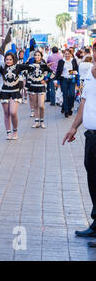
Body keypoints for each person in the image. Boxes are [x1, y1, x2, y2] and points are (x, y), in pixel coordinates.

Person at [62, 49, 96, 248]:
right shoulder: (88, 74)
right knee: (92, 178)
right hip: (90, 135)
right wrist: (74, 126)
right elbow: (84, 102)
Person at [0, 52, 32, 140]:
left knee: (13, 112)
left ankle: (15, 130)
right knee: (6, 113)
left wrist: (43, 66)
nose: (8, 61)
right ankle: (8, 132)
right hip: (4, 93)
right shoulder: (2, 68)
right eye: (7, 59)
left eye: (10, 59)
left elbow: (30, 67)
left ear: (13, 60)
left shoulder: (18, 67)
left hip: (15, 92)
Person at [27, 51, 54, 128]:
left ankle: (42, 121)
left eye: (38, 55)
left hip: (41, 87)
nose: (37, 56)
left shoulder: (43, 65)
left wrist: (46, 80)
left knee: (41, 105)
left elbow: (52, 73)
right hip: (33, 86)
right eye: (35, 55)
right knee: (35, 105)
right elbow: (26, 73)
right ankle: (36, 121)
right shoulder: (31, 65)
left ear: (41, 57)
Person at [56, 49, 79, 118]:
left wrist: (75, 72)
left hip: (72, 80)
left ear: (71, 54)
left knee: (72, 95)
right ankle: (66, 111)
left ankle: (68, 108)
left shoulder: (73, 61)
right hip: (64, 80)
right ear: (64, 54)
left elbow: (76, 70)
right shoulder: (61, 61)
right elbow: (58, 71)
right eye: (66, 53)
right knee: (65, 95)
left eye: (68, 53)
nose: (67, 55)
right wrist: (56, 81)